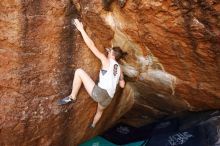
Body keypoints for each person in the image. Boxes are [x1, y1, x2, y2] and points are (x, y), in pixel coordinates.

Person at [58, 19, 126, 128]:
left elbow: (91, 45)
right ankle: (93, 125)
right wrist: (120, 78)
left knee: (79, 72)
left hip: (100, 93)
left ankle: (72, 96)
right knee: (100, 111)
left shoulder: (106, 60)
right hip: (109, 98)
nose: (107, 52)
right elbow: (122, 85)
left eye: (109, 51)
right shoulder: (119, 69)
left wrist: (81, 29)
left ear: (112, 53)